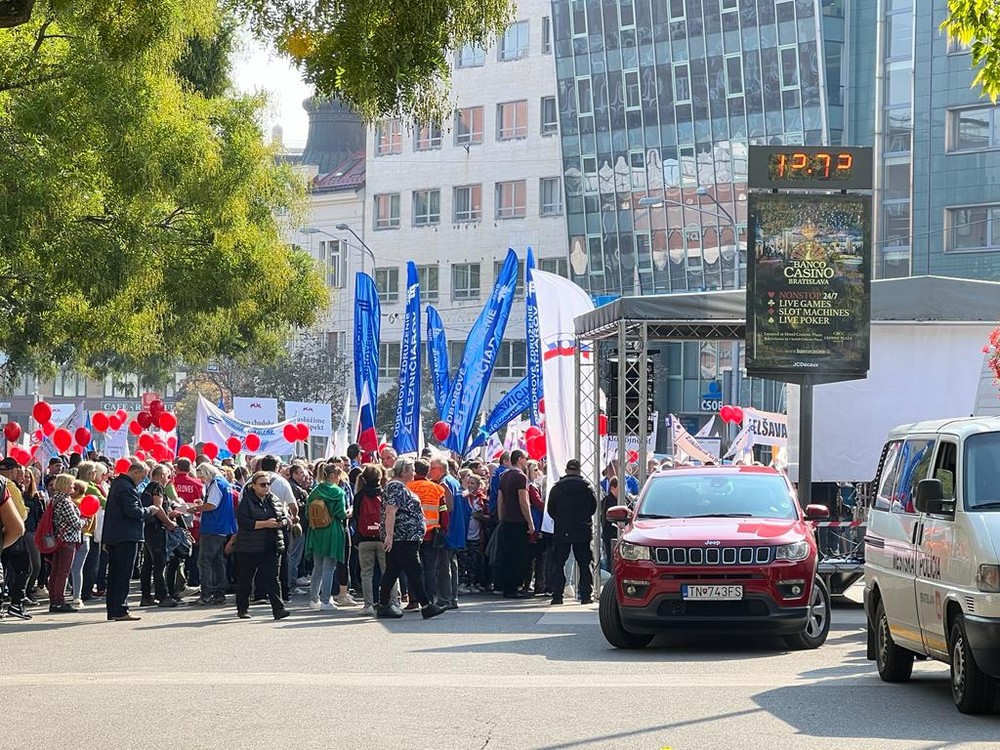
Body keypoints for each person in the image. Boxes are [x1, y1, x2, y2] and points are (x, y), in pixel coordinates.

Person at [102, 461, 177, 622]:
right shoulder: (126, 487)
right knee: (122, 574)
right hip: (126, 535)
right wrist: (150, 510)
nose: (142, 480)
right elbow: (134, 511)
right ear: (135, 472)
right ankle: (121, 609)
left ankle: (114, 609)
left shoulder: (118, 484)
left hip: (115, 535)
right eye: (142, 476)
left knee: (115, 574)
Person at [376, 458, 446, 621]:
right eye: (412, 470)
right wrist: (390, 535)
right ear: (405, 471)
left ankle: (383, 605)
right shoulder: (396, 487)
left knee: (392, 571)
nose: (414, 473)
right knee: (415, 570)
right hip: (403, 537)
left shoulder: (399, 487)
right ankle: (426, 606)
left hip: (404, 537)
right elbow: (391, 511)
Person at [234, 471, 290, 620]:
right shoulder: (247, 501)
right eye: (262, 484)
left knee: (273, 578)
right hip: (250, 546)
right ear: (254, 486)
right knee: (246, 579)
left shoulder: (274, 499)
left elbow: (284, 516)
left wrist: (282, 522)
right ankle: (242, 608)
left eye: (268, 484)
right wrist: (265, 524)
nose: (266, 487)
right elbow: (244, 522)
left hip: (271, 544)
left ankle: (279, 609)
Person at [546, 459, 598, 606]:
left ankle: (557, 596)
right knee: (584, 564)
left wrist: (561, 520)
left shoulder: (557, 489)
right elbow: (593, 508)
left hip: (562, 530)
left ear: (566, 470)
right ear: (579, 471)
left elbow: (551, 509)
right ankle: (586, 595)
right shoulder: (587, 488)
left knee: (559, 563)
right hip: (582, 529)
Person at [189, 462, 237, 606]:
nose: (202, 480)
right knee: (217, 561)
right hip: (222, 526)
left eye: (202, 477)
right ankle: (219, 592)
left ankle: (206, 594)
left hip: (213, 526)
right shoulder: (224, 483)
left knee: (204, 561)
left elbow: (212, 505)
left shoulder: (216, 483)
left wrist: (196, 508)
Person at [354, 463, 397, 616]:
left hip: (364, 538)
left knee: (366, 573)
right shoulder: (385, 493)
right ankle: (393, 602)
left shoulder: (359, 495)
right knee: (389, 571)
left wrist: (357, 539)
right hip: (383, 537)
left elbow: (356, 517)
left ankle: (368, 605)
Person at [304, 464, 348, 611]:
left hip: (316, 530)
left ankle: (313, 599)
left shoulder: (314, 492)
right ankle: (325, 600)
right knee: (329, 567)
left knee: (317, 567)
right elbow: (341, 513)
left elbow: (306, 513)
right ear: (334, 475)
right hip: (332, 530)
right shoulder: (339, 492)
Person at [407, 459, 448, 610]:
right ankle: (429, 600)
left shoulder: (407, 487)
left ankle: (413, 600)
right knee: (430, 568)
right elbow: (443, 510)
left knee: (413, 568)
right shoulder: (437, 489)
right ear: (427, 471)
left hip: (412, 534)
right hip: (432, 533)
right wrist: (444, 528)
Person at [495, 450, 536, 599]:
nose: (526, 461)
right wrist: (530, 523)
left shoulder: (504, 476)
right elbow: (523, 501)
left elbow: (500, 499)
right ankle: (515, 587)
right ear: (520, 459)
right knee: (519, 556)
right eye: (525, 458)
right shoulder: (520, 477)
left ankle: (508, 588)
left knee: (508, 556)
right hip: (518, 521)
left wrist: (501, 518)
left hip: (507, 521)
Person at [138, 466, 178, 608]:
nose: (169, 479)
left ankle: (146, 595)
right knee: (160, 563)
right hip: (156, 529)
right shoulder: (157, 487)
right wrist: (169, 522)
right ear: (161, 475)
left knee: (148, 563)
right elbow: (157, 507)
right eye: (167, 475)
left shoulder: (148, 487)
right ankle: (162, 596)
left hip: (149, 529)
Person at [259, 455, 297, 600]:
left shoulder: (252, 480)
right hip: (279, 525)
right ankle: (283, 593)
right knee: (282, 559)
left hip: (257, 525)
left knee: (259, 560)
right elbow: (293, 505)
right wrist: (294, 518)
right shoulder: (282, 482)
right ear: (277, 467)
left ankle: (260, 593)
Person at [431, 456, 466, 609]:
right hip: (456, 528)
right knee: (452, 564)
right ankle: (453, 598)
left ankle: (445, 599)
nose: (430, 471)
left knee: (443, 566)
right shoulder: (454, 481)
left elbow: (448, 507)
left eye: (432, 468)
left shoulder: (444, 483)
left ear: (440, 469)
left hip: (448, 529)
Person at [47, 474, 85, 613]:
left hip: (58, 539)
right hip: (67, 539)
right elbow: (75, 523)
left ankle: (54, 599)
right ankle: (58, 600)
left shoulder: (54, 499)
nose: (73, 487)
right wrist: (84, 520)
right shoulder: (65, 501)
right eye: (71, 484)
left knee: (56, 570)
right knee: (63, 571)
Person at [0, 458, 32, 619]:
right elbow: (18, 518)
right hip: (11, 536)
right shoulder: (8, 485)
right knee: (24, 568)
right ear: (13, 471)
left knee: (5, 569)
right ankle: (16, 604)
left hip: (6, 534)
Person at [600, 478, 620, 571]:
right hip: (610, 534)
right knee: (610, 559)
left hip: (618, 534)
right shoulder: (608, 501)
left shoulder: (623, 499)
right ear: (613, 488)